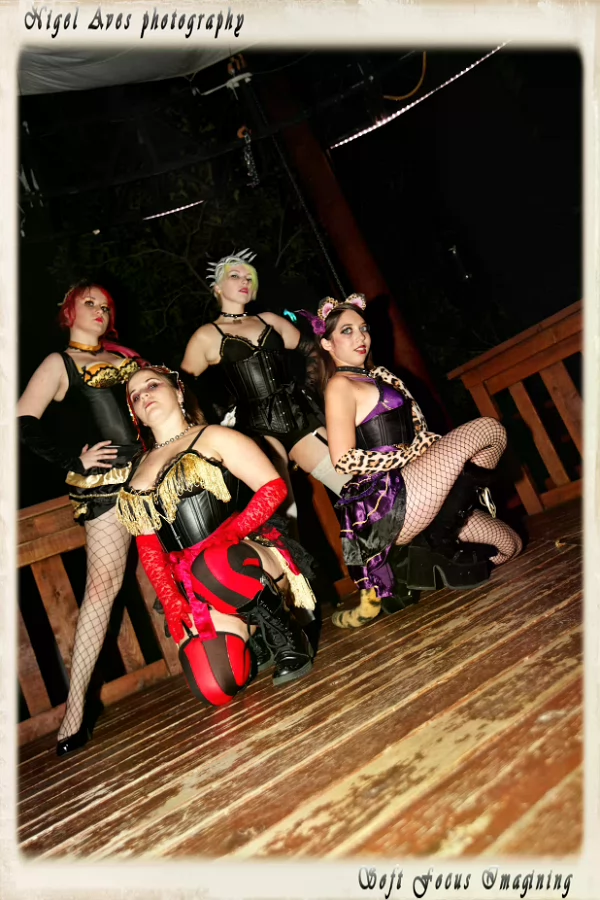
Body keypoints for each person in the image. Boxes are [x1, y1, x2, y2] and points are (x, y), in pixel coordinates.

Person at [315, 294, 523, 628]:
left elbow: (418, 433)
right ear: (327, 344)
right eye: (347, 331)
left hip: (424, 490)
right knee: (488, 429)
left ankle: (440, 534)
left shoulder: (379, 375)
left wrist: (422, 450)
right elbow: (343, 461)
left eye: (364, 328)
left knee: (510, 546)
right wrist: (407, 454)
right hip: (390, 500)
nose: (361, 337)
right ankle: (439, 538)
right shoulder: (340, 385)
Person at [115, 365, 315, 704]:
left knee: (213, 564)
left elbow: (272, 488)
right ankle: (253, 633)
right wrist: (171, 599)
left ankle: (288, 634)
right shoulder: (137, 471)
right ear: (137, 416)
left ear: (178, 392)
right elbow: (148, 547)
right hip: (195, 583)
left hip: (243, 558)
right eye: (136, 396)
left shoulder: (214, 437)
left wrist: (231, 534)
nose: (144, 395)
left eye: (152, 385)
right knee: (216, 686)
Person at [18, 281, 146, 756]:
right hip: (107, 484)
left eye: (105, 305)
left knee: (191, 551)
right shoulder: (60, 363)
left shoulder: (125, 359)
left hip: (154, 471)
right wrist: (74, 459)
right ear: (69, 311)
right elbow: (22, 420)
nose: (99, 310)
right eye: (89, 303)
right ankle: (75, 714)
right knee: (102, 588)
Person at [180, 250, 348, 499]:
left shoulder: (270, 320)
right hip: (255, 433)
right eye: (235, 276)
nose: (245, 281)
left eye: (250, 278)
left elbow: (312, 351)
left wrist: (308, 388)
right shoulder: (206, 336)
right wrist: (217, 416)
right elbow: (181, 388)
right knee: (285, 513)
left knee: (353, 485)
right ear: (217, 288)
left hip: (299, 420)